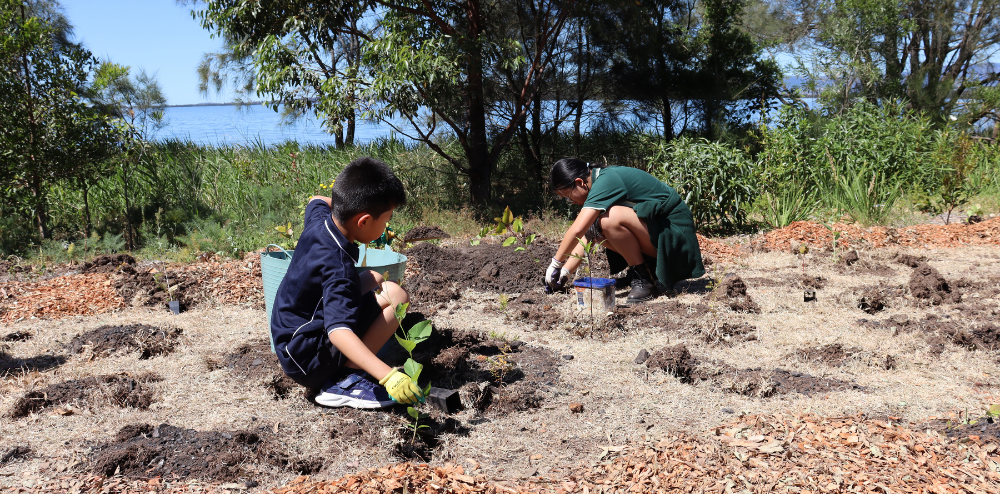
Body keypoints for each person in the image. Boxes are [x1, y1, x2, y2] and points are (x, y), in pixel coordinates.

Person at [270, 157, 423, 408]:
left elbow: (317, 201)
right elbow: (339, 332)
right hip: (308, 360)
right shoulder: (338, 266)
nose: (386, 227)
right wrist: (388, 375)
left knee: (374, 278)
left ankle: (345, 372)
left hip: (291, 338)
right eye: (385, 221)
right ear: (363, 222)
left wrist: (344, 204)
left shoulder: (320, 222)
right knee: (397, 297)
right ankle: (344, 381)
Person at [544, 158, 705, 303]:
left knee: (609, 219)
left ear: (580, 182)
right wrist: (565, 273)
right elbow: (587, 235)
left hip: (676, 240)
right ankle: (644, 271)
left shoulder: (606, 180)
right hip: (660, 233)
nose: (570, 201)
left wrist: (556, 263)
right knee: (597, 225)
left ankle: (644, 280)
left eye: (568, 196)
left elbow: (577, 229)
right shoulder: (599, 182)